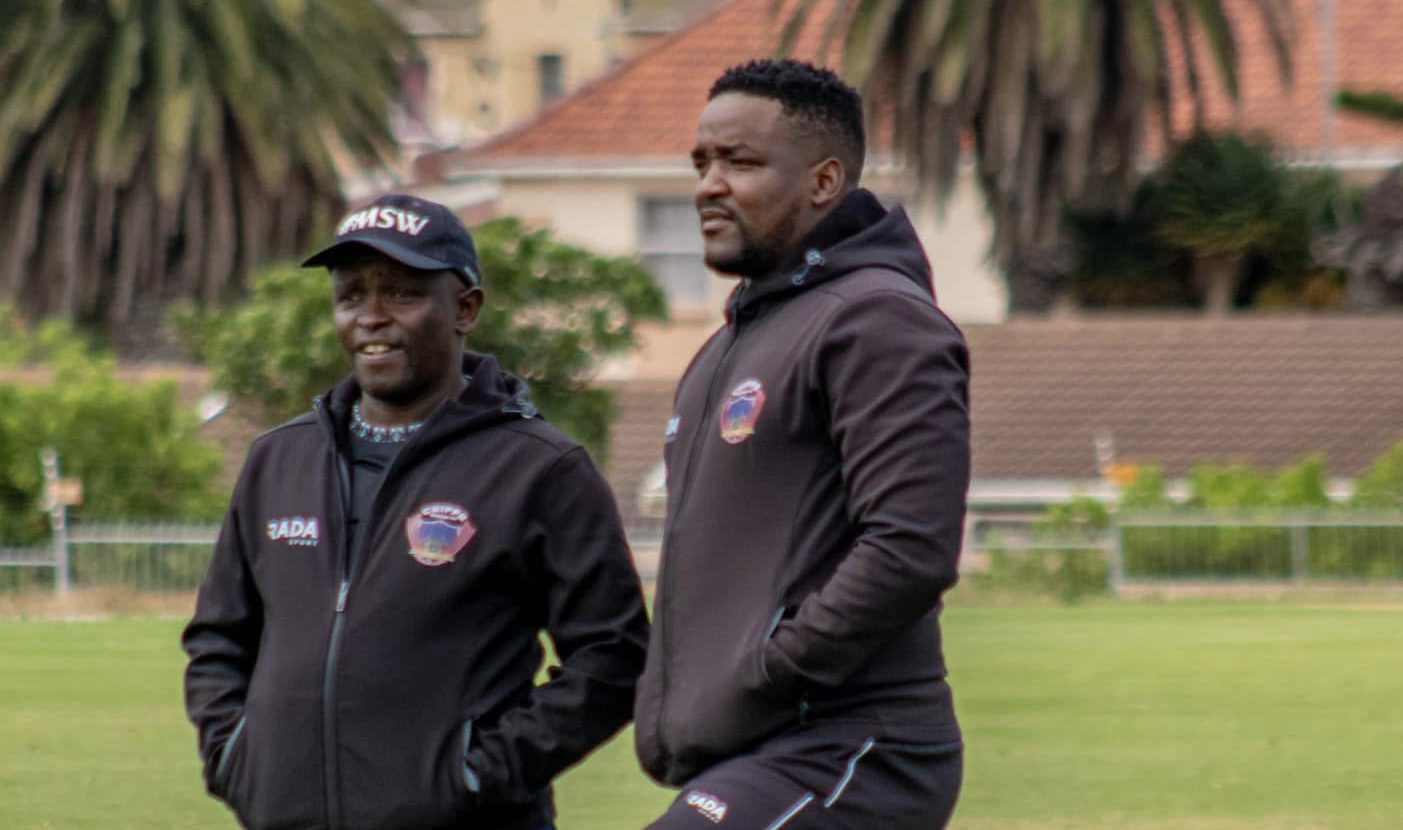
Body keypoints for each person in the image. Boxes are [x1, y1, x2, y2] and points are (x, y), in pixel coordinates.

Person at [182, 193, 649, 830]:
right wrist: (235, 757)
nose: (371, 317)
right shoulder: (279, 459)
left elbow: (614, 656)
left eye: (401, 293)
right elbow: (218, 637)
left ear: (465, 308)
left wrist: (477, 775)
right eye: (351, 296)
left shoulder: (540, 468)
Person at [634, 59, 971, 829]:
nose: (709, 185)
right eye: (701, 163)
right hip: (748, 751)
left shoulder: (878, 319)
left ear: (823, 181)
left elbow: (910, 547)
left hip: (850, 747)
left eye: (740, 162)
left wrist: (771, 668)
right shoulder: (727, 346)